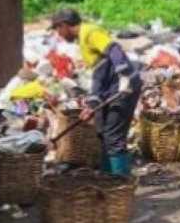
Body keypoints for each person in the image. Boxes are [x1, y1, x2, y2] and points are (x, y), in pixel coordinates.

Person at [51, 9, 141, 176]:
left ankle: (120, 181)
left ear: (64, 25)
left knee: (113, 136)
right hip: (111, 88)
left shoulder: (89, 32)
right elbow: (99, 76)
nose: (58, 34)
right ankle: (107, 178)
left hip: (124, 87)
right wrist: (92, 104)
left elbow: (114, 49)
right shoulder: (82, 40)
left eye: (57, 29)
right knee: (102, 133)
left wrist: (124, 74)